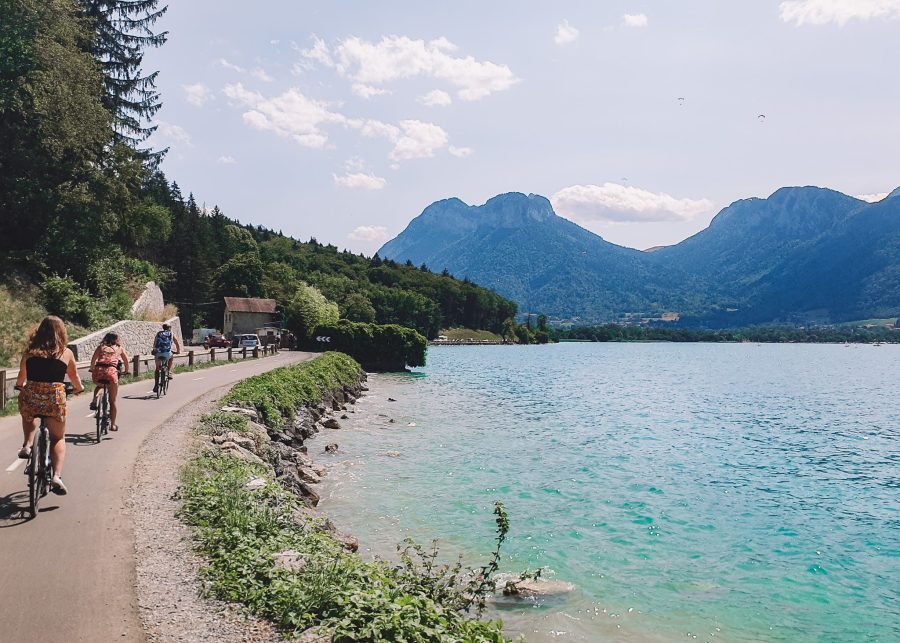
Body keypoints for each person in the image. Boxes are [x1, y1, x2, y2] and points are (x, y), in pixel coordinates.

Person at [14, 316, 84, 495]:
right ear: (61, 332)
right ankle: (56, 476)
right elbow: (74, 377)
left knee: (28, 416)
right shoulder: (66, 353)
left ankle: (27, 445)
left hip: (32, 396)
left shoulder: (30, 351)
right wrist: (78, 388)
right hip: (54, 399)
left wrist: (20, 386)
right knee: (58, 438)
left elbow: (21, 378)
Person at [88, 332, 130, 431]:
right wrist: (126, 371)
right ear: (116, 339)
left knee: (100, 385)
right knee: (113, 401)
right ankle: (113, 425)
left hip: (99, 371)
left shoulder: (101, 347)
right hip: (111, 372)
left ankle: (95, 400)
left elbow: (93, 360)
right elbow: (126, 360)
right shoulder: (119, 348)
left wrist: (92, 368)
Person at [152, 323, 181, 393]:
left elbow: (155, 343)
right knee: (171, 357)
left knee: (157, 368)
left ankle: (156, 385)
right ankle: (169, 372)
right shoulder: (171, 334)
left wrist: (154, 350)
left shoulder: (159, 333)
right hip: (167, 353)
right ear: (169, 328)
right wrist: (178, 351)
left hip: (158, 353)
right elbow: (176, 342)